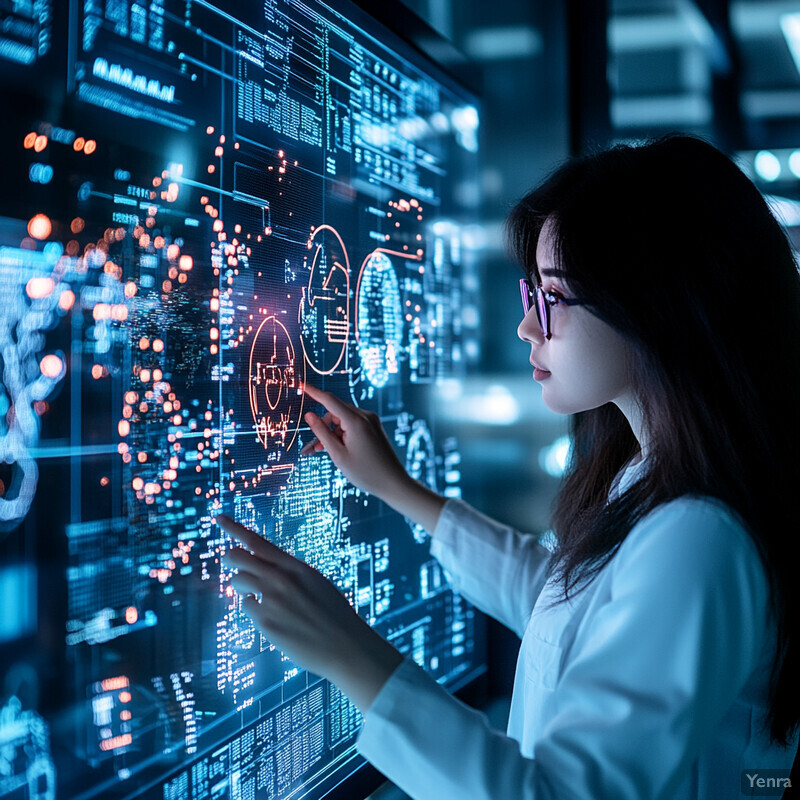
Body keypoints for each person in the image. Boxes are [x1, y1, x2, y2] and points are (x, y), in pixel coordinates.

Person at [217, 134, 800, 799]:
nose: (527, 326)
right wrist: (404, 494)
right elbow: (565, 605)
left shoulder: (698, 539)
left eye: (551, 299)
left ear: (654, 304)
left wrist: (356, 658)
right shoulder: (662, 486)